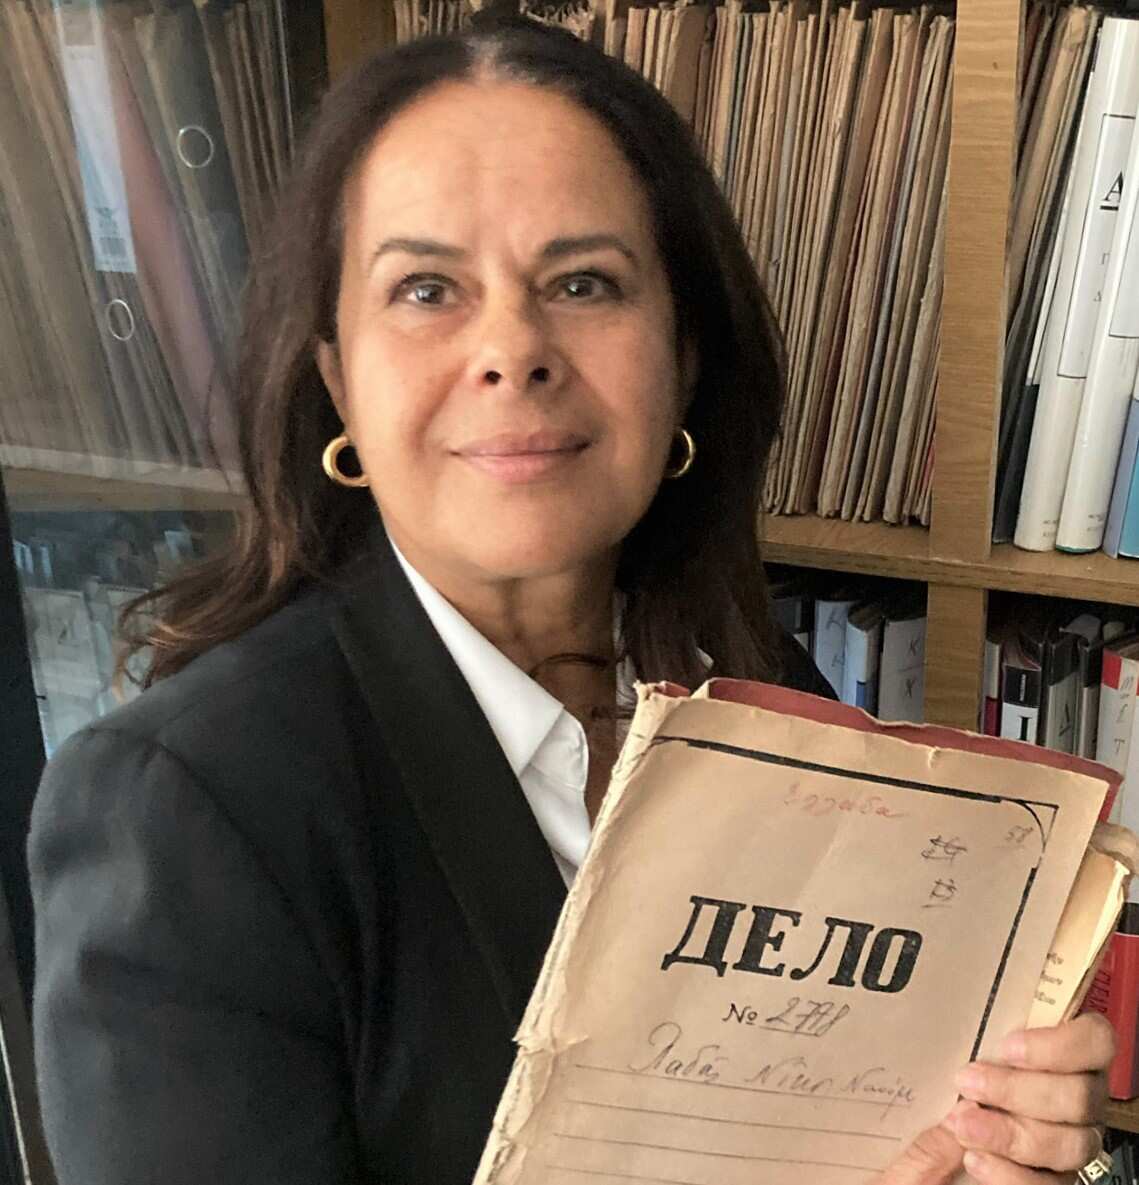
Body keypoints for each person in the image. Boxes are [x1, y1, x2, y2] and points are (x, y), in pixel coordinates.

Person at [28, 17, 1112, 1185]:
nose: (513, 348)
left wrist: (1024, 1152)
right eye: (425, 286)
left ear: (683, 354)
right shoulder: (184, 812)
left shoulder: (764, 693)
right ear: (335, 373)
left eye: (583, 281)